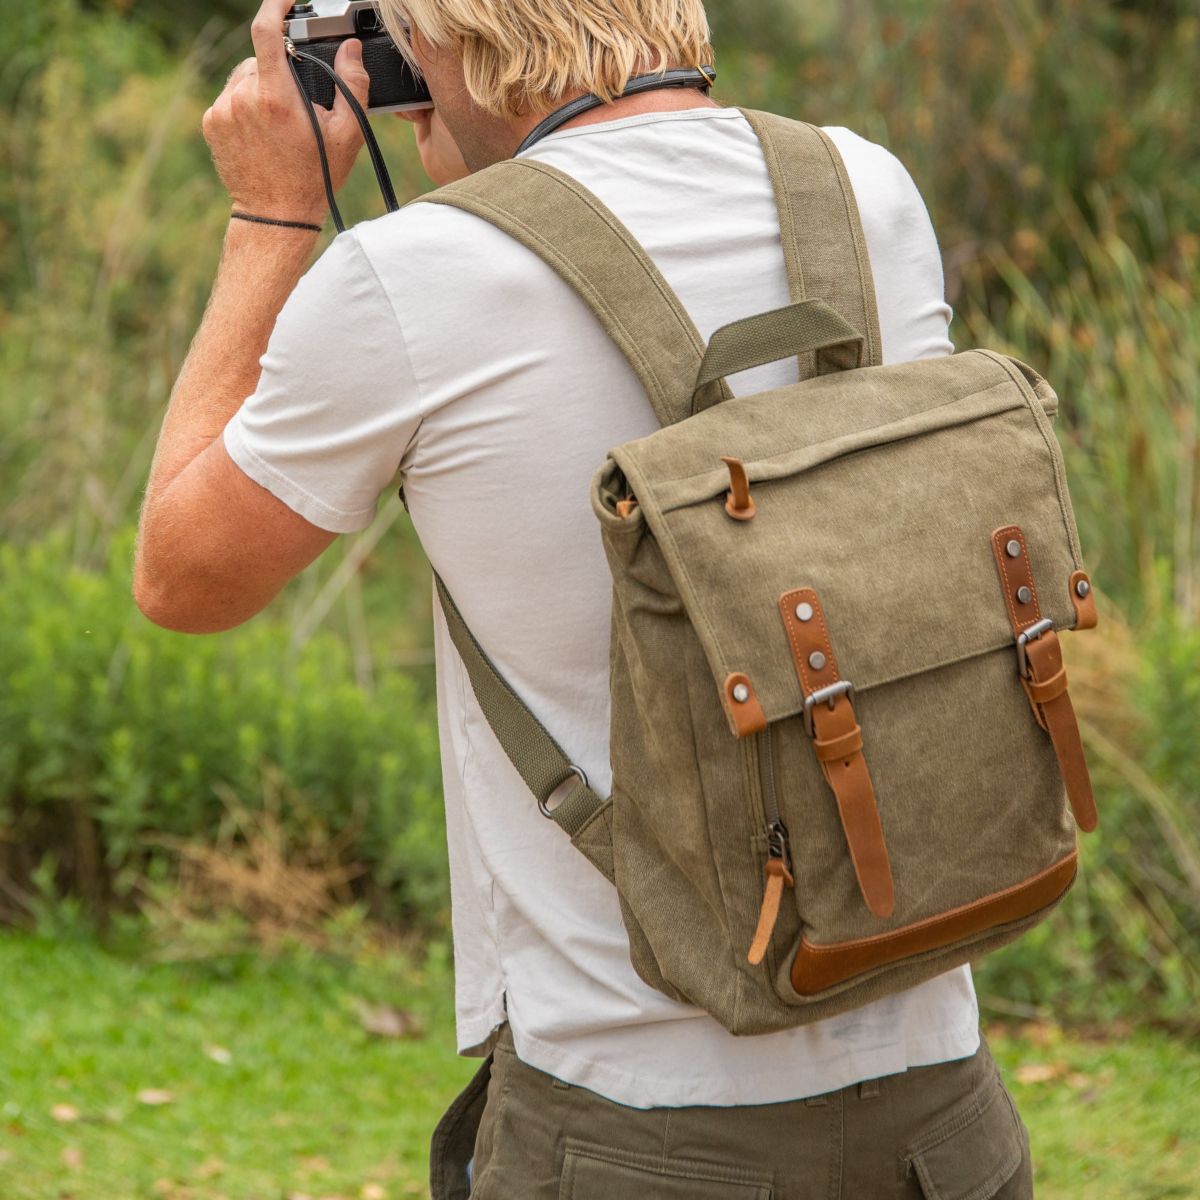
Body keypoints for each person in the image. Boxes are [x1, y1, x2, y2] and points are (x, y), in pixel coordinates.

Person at [134, 0, 1035, 1195]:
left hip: (633, 1128)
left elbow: (182, 577)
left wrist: (274, 212)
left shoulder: (415, 275)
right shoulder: (864, 190)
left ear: (435, 36)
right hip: (945, 1115)